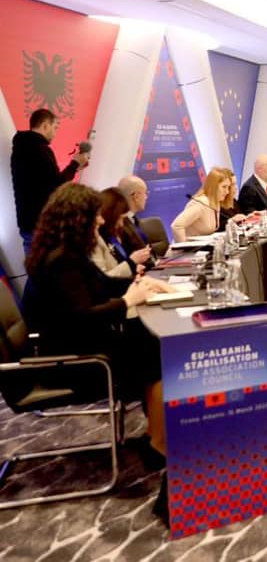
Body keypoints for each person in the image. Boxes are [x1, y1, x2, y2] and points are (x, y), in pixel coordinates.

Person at [23, 183, 169, 485]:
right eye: (96, 216)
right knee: (155, 353)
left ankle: (155, 434)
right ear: (79, 219)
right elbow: (83, 316)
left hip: (73, 345)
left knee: (148, 343)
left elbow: (100, 285)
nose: (102, 220)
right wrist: (128, 300)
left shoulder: (68, 254)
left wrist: (139, 286)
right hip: (71, 361)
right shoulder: (62, 261)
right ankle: (158, 445)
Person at [11, 108, 90, 256]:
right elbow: (56, 185)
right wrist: (74, 164)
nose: (55, 133)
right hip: (40, 224)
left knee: (35, 266)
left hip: (28, 222)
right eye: (55, 128)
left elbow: (44, 183)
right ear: (45, 125)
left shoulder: (22, 147)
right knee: (44, 268)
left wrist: (74, 167)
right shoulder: (39, 149)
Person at [93, 187, 152, 279]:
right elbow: (102, 280)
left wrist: (134, 268)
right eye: (119, 218)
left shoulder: (119, 232)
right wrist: (131, 263)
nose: (121, 224)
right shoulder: (96, 239)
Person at [171, 168, 230, 242]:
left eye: (228, 187)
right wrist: (184, 247)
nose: (227, 192)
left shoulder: (215, 203)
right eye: (224, 187)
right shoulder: (200, 203)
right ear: (213, 186)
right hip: (190, 248)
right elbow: (176, 226)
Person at [116, 175, 151, 256]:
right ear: (136, 196)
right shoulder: (120, 226)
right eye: (145, 193)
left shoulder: (133, 219)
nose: (146, 197)